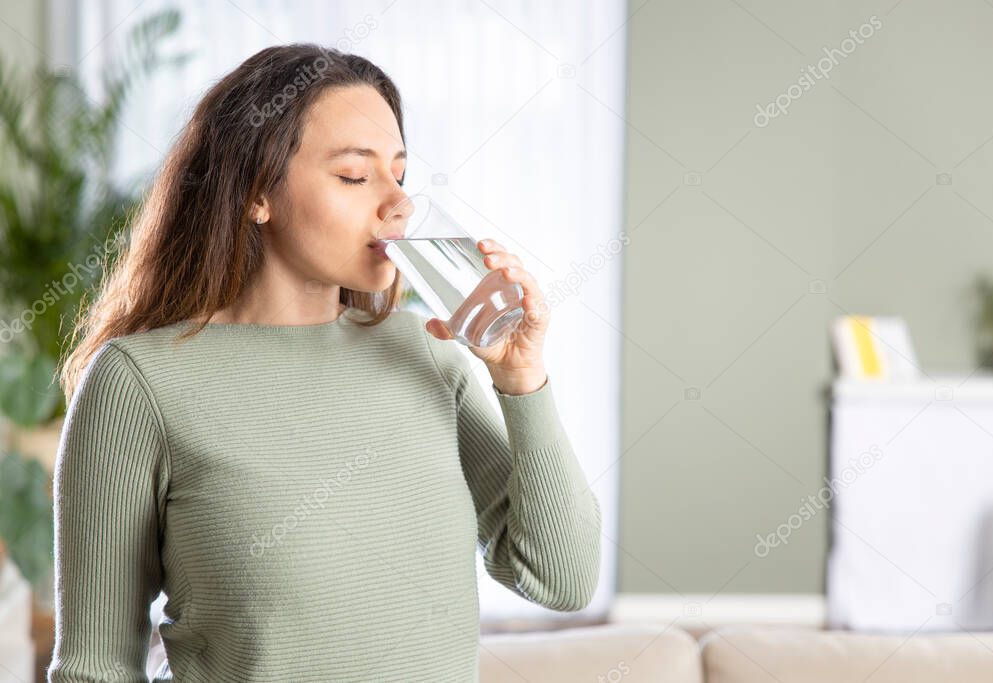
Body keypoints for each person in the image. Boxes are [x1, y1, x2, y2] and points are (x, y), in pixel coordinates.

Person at [47, 45, 601, 682]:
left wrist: (520, 378)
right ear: (258, 194)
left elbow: (562, 578)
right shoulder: (138, 382)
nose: (398, 205)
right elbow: (94, 669)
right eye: (354, 177)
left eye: (399, 175)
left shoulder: (426, 354)